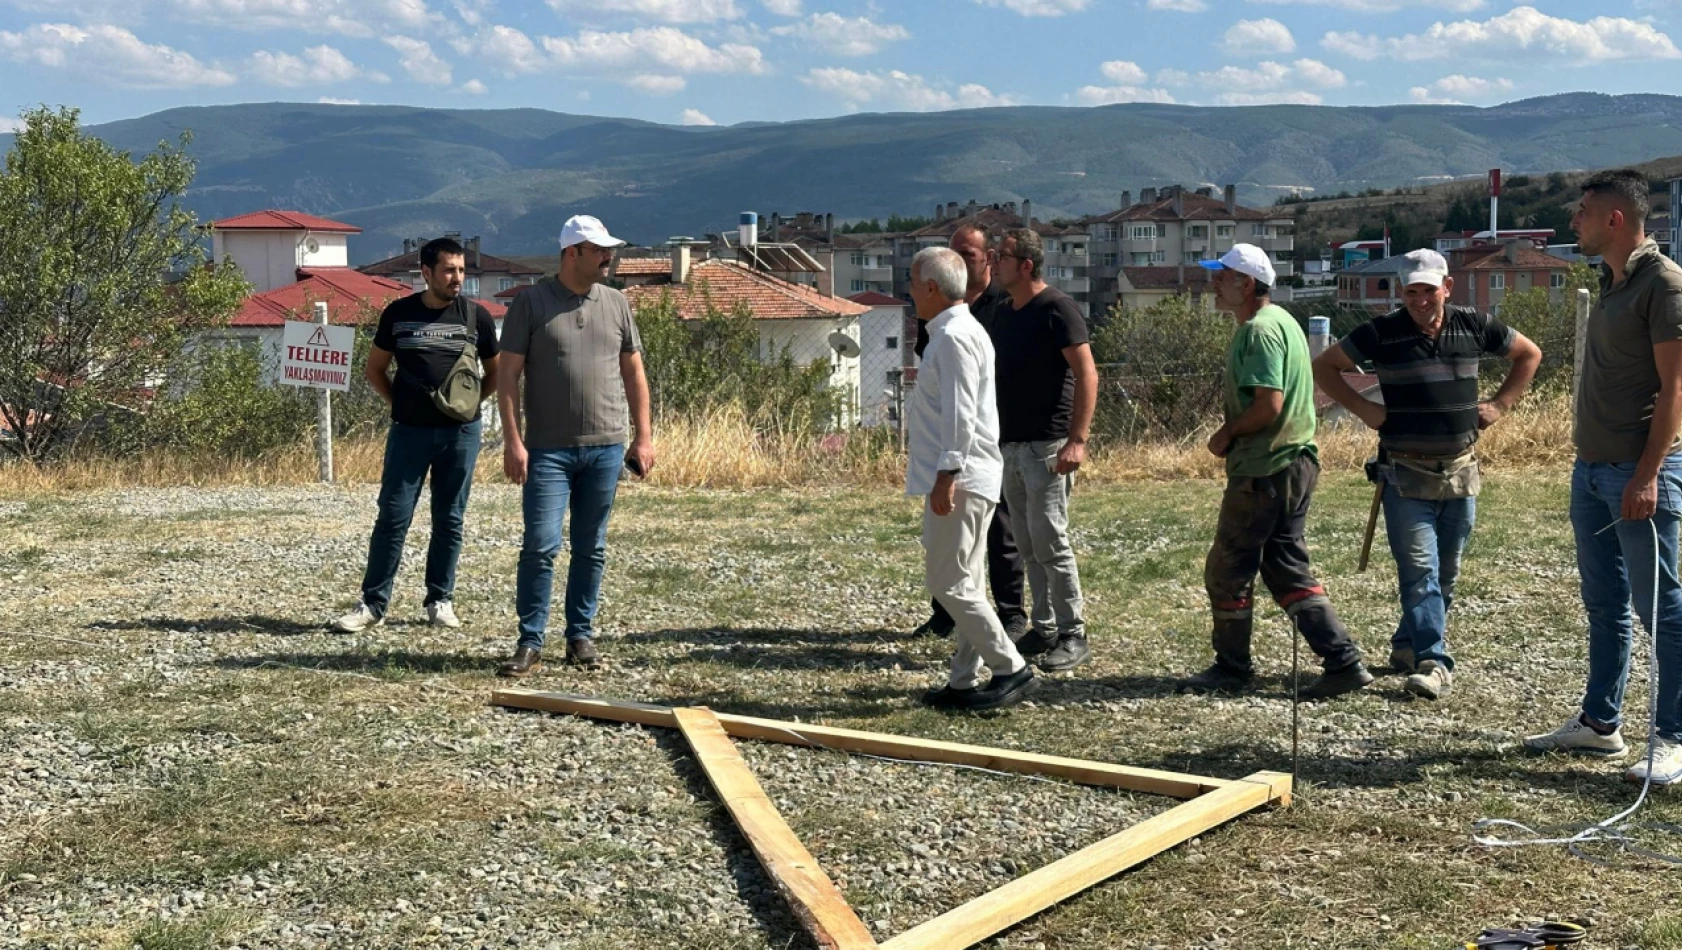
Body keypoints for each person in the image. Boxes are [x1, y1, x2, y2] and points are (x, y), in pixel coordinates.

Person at [1313, 248, 1541, 700]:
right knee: (1420, 570)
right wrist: (1364, 409)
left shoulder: (1473, 324)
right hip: (1404, 473)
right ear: (1402, 292)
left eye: (1428, 291)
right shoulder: (1382, 332)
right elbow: (1324, 366)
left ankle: (1407, 644)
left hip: (1460, 470)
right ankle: (1434, 660)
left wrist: (1499, 405)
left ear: (1447, 288)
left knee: (1446, 571)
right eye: (1412, 291)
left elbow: (1528, 354)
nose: (1420, 300)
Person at [1525, 169, 1682, 785]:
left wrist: (1647, 475)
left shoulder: (1664, 286)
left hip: (1635, 473)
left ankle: (1673, 736)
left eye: (1584, 211)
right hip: (1591, 469)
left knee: (1662, 607)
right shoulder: (1614, 281)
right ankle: (1600, 724)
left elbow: (1676, 390)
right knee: (1606, 602)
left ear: (1616, 219)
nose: (1574, 221)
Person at [1179, 244, 1372, 699]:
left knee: (1227, 567)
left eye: (1221, 276)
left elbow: (1268, 405)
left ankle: (1232, 667)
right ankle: (1342, 659)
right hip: (1295, 462)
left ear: (1247, 284)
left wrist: (1226, 434)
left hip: (1267, 467)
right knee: (1284, 565)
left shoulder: (1258, 332)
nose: (1214, 284)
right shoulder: (1284, 321)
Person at [495, 215, 655, 677]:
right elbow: (508, 377)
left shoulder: (617, 303)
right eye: (599, 249)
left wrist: (643, 437)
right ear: (572, 254)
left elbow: (634, 373)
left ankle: (579, 635)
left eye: (610, 249)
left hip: (606, 447)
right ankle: (530, 641)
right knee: (541, 546)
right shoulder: (531, 303)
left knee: (592, 547)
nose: (609, 257)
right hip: (547, 450)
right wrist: (513, 441)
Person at [332, 237, 499, 633]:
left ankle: (440, 600)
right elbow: (374, 370)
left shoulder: (477, 318)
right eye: (448, 270)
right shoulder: (398, 314)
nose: (457, 278)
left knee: (450, 518)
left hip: (460, 434)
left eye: (461, 270)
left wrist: (467, 407)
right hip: (409, 434)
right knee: (392, 515)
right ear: (426, 273)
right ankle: (373, 604)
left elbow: (497, 374)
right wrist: (400, 406)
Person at [906, 246, 1035, 711]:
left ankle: (1010, 668)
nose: (910, 292)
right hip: (969, 475)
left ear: (932, 288)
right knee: (967, 580)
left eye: (913, 283)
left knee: (949, 581)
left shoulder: (954, 337)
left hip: (962, 477)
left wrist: (948, 473)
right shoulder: (956, 331)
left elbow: (960, 416)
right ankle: (963, 679)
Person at [989, 228, 1098, 672]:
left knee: (1051, 540)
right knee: (1029, 542)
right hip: (1011, 445)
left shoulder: (1057, 309)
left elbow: (1088, 375)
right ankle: (1045, 626)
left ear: (1026, 265)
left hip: (1047, 445)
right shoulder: (1003, 311)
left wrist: (1077, 440)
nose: (994, 263)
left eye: (1003, 256)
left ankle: (1074, 632)